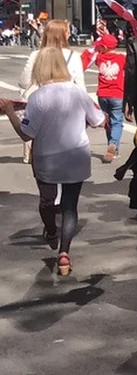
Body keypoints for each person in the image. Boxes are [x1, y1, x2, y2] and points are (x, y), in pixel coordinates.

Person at [1, 48, 105, 276]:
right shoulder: (78, 93)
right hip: (76, 155)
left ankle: (50, 231)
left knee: (46, 200)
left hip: (47, 157)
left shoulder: (38, 97)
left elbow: (27, 133)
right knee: (70, 206)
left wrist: (10, 112)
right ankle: (64, 253)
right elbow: (98, 120)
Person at [19, 19, 86, 165]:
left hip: (39, 105)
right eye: (67, 32)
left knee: (40, 140)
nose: (69, 34)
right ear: (61, 35)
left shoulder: (36, 55)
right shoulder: (73, 56)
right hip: (66, 107)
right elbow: (81, 87)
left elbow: (23, 82)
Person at [94, 35, 127, 163]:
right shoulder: (121, 58)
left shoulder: (100, 58)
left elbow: (96, 53)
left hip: (103, 94)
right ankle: (114, 144)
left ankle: (111, 144)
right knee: (117, 121)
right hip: (117, 93)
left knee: (107, 121)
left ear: (104, 47)